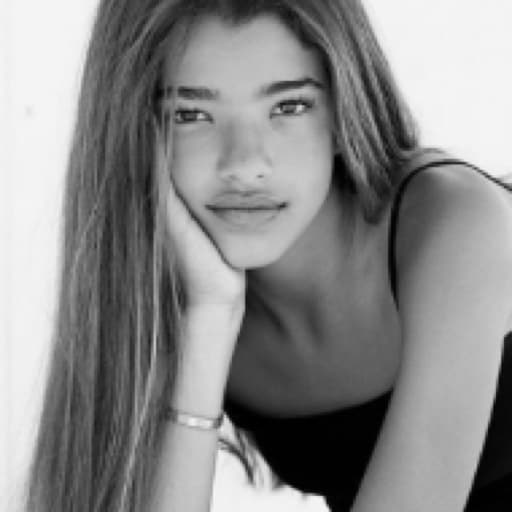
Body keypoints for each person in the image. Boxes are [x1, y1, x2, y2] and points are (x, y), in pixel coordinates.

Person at [21, 0, 512, 511]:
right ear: (134, 136)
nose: (244, 164)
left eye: (289, 107)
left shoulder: (454, 224)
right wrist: (210, 314)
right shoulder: (175, 291)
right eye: (190, 115)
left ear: (345, 111)